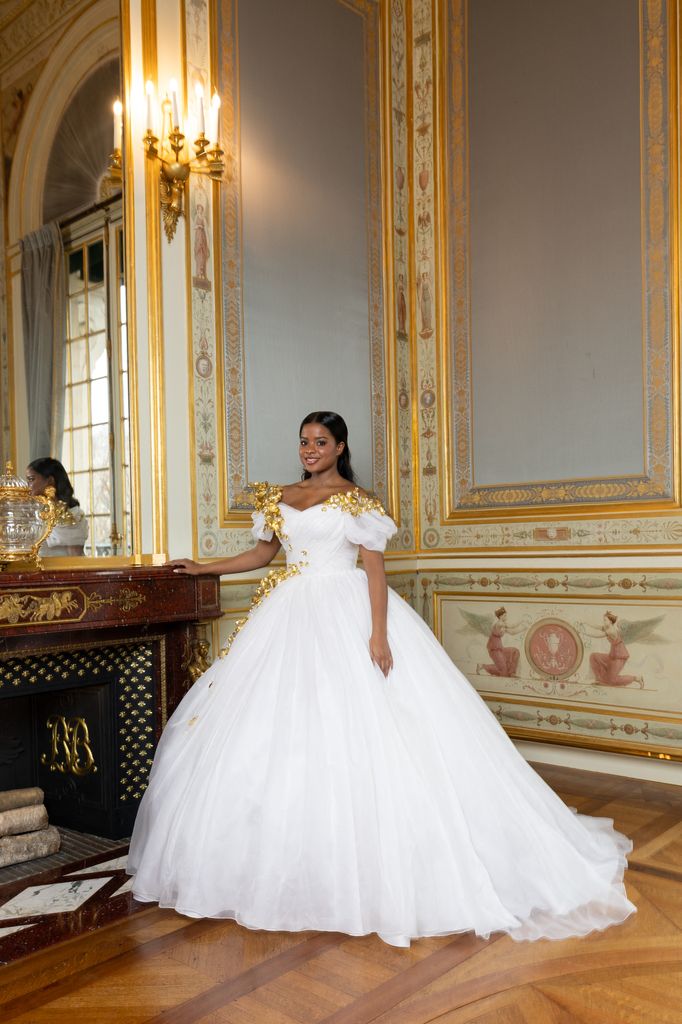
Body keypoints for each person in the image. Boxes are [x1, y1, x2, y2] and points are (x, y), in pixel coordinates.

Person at [127, 411, 635, 946]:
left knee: (369, 729)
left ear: (340, 446)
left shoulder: (359, 501)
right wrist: (205, 568)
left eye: (320, 442)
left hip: (345, 611)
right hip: (287, 613)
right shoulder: (282, 496)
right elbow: (263, 553)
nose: (309, 449)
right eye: (304, 441)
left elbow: (373, 570)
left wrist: (378, 634)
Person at [25, 457, 88, 556]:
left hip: (61, 570)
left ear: (50, 480)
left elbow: (75, 557)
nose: (27, 485)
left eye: (31, 479)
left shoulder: (74, 515)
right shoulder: (36, 512)